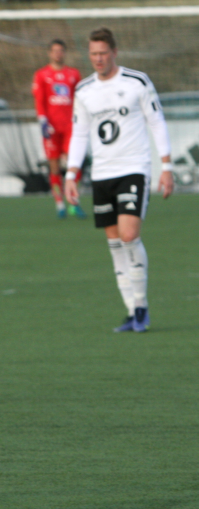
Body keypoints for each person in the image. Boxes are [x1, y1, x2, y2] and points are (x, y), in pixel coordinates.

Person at [65, 27, 172, 333]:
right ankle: (130, 311)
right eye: (93, 54)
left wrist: (166, 166)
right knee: (114, 243)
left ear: (114, 52)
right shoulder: (84, 90)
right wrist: (71, 174)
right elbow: (79, 134)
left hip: (134, 169)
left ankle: (141, 306)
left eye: (103, 53)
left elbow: (156, 121)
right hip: (102, 174)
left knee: (128, 235)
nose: (98, 59)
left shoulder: (137, 82)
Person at [32, 39, 84, 219]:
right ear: (49, 53)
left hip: (70, 126)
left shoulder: (73, 74)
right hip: (51, 128)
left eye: (61, 50)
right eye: (54, 51)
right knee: (54, 166)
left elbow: (80, 99)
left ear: (65, 53)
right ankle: (59, 203)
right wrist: (42, 120)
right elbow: (39, 100)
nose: (58, 54)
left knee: (74, 164)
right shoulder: (42, 75)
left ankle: (73, 202)